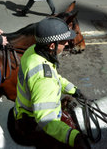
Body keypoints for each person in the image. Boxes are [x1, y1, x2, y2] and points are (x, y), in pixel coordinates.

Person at [12, 17, 86, 148]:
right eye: (64, 41)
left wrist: (74, 90)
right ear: (52, 45)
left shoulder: (33, 51)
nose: (68, 43)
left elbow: (56, 77)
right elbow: (46, 120)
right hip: (33, 122)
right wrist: (74, 137)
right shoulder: (45, 78)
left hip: (21, 110)